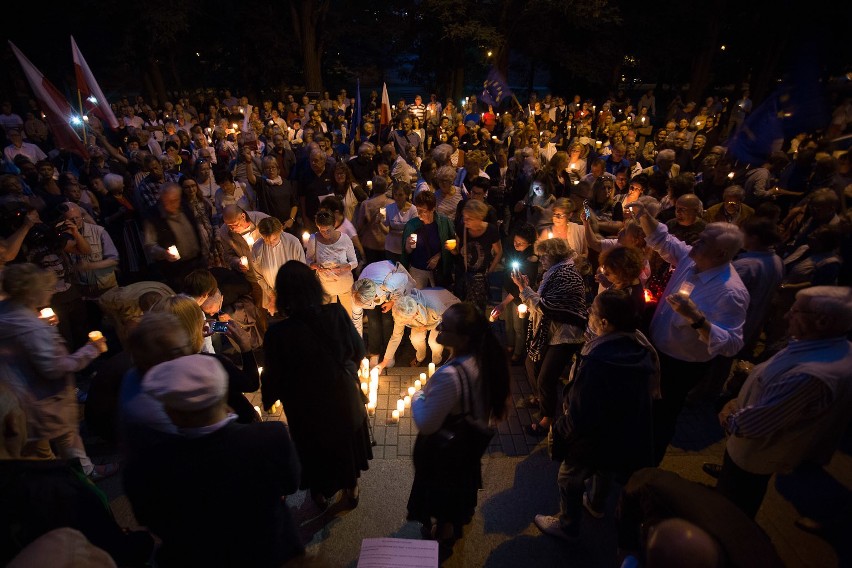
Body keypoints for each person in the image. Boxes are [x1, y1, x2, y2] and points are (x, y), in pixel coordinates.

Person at [124, 354, 303, 567]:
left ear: (171, 412)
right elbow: (291, 483)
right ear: (223, 395)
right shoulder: (270, 437)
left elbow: (152, 520)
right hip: (272, 550)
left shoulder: (145, 469)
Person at [712, 287, 852, 519]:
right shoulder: (831, 346)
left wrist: (727, 413)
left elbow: (752, 426)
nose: (786, 316)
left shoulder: (810, 376)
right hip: (761, 446)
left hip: (753, 454)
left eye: (795, 311)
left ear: (823, 321)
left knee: (731, 510)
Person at [631, 202, 749, 464]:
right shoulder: (690, 259)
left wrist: (696, 318)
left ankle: (645, 469)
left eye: (704, 240)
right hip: (656, 349)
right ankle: (633, 453)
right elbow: (663, 240)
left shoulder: (730, 292)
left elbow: (732, 344)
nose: (696, 240)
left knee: (662, 417)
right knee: (644, 409)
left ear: (720, 254)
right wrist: (641, 214)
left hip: (679, 366)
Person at [534, 290, 657, 540]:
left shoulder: (599, 359)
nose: (588, 314)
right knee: (605, 469)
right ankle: (596, 504)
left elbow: (582, 410)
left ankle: (568, 525)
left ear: (605, 322)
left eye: (593, 311)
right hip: (621, 429)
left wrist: (561, 430)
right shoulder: (640, 346)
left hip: (593, 435)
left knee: (569, 477)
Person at [0, 383, 155, 567]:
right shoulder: (55, 491)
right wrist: (144, 540)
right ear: (13, 425)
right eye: (23, 410)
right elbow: (114, 549)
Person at [262, 261, 372, 509]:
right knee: (345, 445)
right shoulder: (335, 313)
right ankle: (351, 487)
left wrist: (268, 399)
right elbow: (358, 350)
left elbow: (273, 377)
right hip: (341, 398)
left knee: (313, 450)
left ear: (282, 293)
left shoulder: (277, 333)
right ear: (314, 286)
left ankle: (320, 492)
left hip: (304, 407)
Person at [408, 302, 511, 555]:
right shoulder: (481, 357)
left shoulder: (450, 375)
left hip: (446, 451)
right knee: (458, 488)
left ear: (463, 338)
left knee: (443, 494)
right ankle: (452, 523)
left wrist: (418, 397)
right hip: (466, 446)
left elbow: (427, 422)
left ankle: (444, 535)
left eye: (446, 327)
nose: (439, 328)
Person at [0, 263, 115, 480]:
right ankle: (79, 485)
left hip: (18, 399)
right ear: (31, 292)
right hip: (40, 401)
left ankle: (81, 472)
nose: (52, 292)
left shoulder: (7, 313)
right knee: (54, 449)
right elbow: (54, 367)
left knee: (60, 440)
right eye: (47, 288)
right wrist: (91, 350)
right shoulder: (30, 327)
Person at [511, 238, 588, 436]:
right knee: (531, 364)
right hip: (552, 331)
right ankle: (541, 399)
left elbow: (549, 308)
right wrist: (526, 289)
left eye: (545, 255)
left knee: (546, 377)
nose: (541, 259)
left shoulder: (567, 275)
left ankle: (548, 420)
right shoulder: (553, 273)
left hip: (566, 334)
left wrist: (525, 290)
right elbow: (542, 304)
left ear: (555, 256)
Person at [491, 223, 539, 364]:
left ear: (529, 244)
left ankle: (518, 353)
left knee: (518, 325)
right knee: (508, 323)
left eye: (521, 243)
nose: (516, 245)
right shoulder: (512, 249)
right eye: (515, 241)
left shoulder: (532, 259)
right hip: (507, 289)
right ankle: (510, 346)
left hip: (520, 296)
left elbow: (522, 287)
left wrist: (503, 303)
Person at [351, 260, 416, 361]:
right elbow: (357, 323)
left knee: (388, 320)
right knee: (373, 322)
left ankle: (389, 353)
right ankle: (374, 352)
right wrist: (359, 350)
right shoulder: (357, 295)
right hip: (370, 276)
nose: (363, 307)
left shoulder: (389, 284)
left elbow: (404, 279)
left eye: (366, 305)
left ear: (373, 298)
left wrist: (393, 301)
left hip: (388, 277)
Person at [451, 199, 502, 312]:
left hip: (480, 278)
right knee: (462, 309)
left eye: (469, 218)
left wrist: (490, 271)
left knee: (477, 311)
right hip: (463, 275)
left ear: (479, 218)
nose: (465, 221)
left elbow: (499, 252)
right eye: (464, 217)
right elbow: (457, 252)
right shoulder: (462, 229)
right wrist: (452, 249)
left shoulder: (491, 230)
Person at [306, 209, 358, 319]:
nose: (325, 234)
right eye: (322, 230)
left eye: (328, 230)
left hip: (344, 284)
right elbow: (307, 261)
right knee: (328, 319)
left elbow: (354, 262)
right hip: (325, 287)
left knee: (348, 317)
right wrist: (315, 266)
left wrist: (345, 267)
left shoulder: (344, 239)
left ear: (334, 225)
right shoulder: (313, 239)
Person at [401, 190, 456, 289]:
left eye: (423, 211)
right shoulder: (412, 225)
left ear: (433, 209)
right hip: (417, 272)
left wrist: (439, 255)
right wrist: (408, 246)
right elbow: (407, 253)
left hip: (438, 273)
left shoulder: (444, 223)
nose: (419, 214)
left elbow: (451, 245)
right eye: (418, 210)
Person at [252, 217, 306, 315]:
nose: (270, 243)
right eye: (266, 240)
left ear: (280, 231)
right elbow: (258, 275)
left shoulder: (293, 242)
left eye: (274, 239)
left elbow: (301, 271)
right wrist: (272, 295)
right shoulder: (257, 247)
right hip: (271, 297)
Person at [383, 181, 417, 263]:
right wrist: (379, 222)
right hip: (391, 248)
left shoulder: (413, 210)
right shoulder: (388, 208)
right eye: (395, 194)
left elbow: (414, 232)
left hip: (406, 248)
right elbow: (385, 229)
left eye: (400, 195)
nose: (397, 198)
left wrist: (412, 248)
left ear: (407, 195)